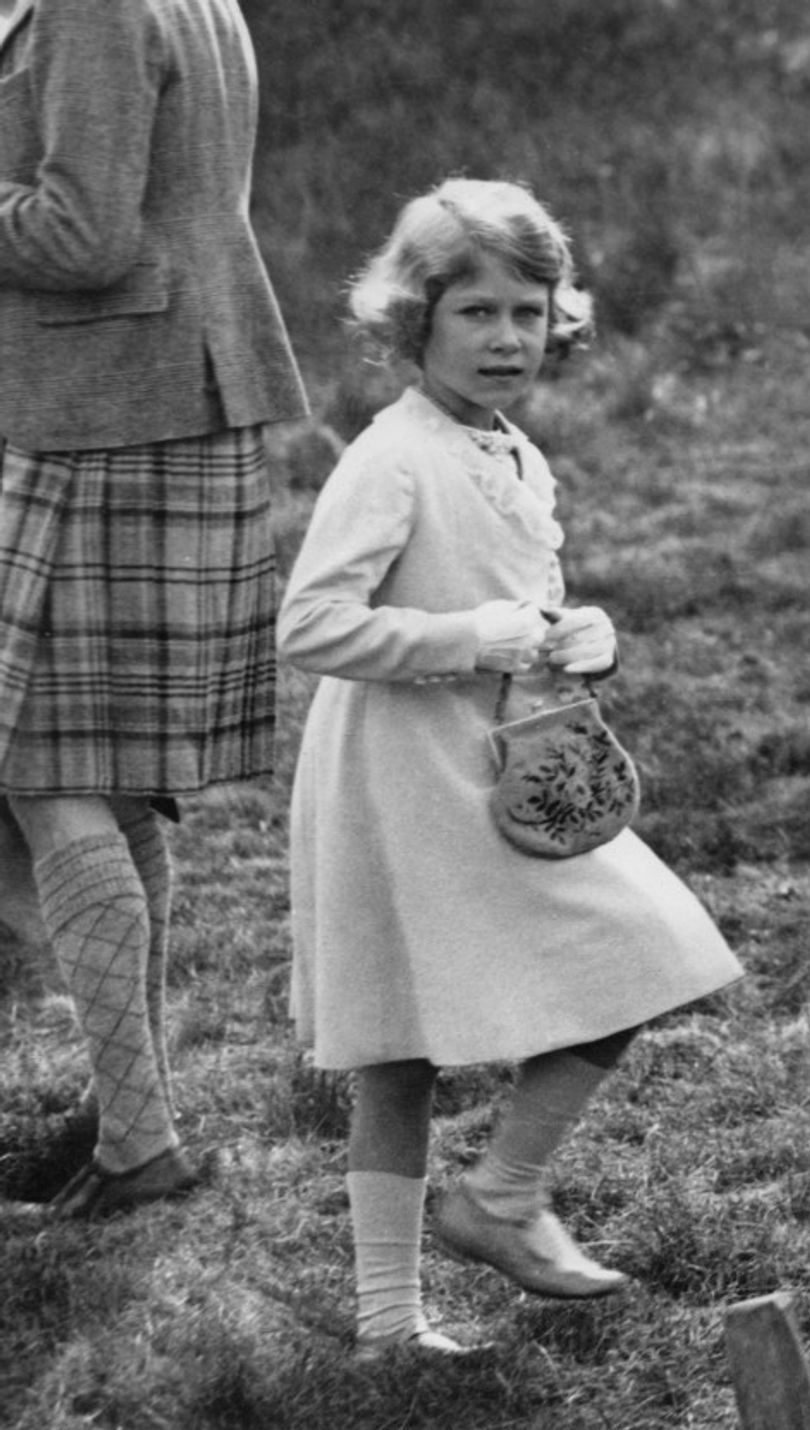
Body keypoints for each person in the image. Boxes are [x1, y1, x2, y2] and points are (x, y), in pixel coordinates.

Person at [277, 178, 742, 1360]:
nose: (505, 338)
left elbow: (517, 601)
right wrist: (467, 636)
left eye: (528, 312)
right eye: (474, 310)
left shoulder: (512, 450)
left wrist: (580, 635)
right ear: (413, 317)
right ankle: (391, 1318)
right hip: (392, 771)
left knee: (649, 945)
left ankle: (497, 1192)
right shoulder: (391, 456)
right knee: (396, 1043)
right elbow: (311, 625)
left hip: (501, 758)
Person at [0, 0, 308, 1217]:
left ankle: (138, 1138)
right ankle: (135, 1123)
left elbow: (83, 235)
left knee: (41, 765)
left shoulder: (87, 4)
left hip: (113, 405)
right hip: (148, 392)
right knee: (103, 773)